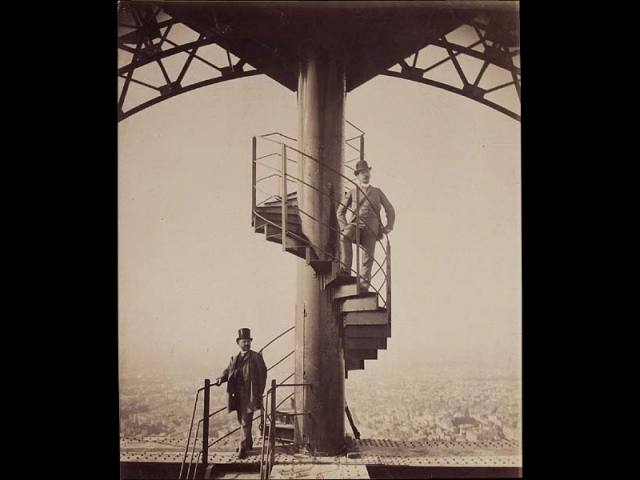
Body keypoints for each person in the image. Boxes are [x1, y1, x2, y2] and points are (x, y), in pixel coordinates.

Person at [336, 160, 396, 291]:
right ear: (357, 176)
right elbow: (340, 212)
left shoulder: (377, 191)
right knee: (344, 237)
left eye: (367, 172)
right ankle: (346, 270)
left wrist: (389, 226)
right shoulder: (352, 192)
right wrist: (344, 226)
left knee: (367, 258)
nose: (365, 175)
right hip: (355, 224)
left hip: (372, 227)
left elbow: (390, 209)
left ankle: (363, 286)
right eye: (362, 173)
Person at [214, 328, 268, 459]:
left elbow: (263, 375)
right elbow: (228, 370)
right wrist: (221, 378)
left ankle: (243, 448)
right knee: (241, 420)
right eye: (244, 341)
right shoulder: (235, 358)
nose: (247, 344)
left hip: (249, 394)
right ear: (238, 343)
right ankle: (248, 443)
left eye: (248, 341)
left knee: (245, 421)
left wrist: (259, 393)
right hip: (237, 394)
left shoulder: (256, 357)